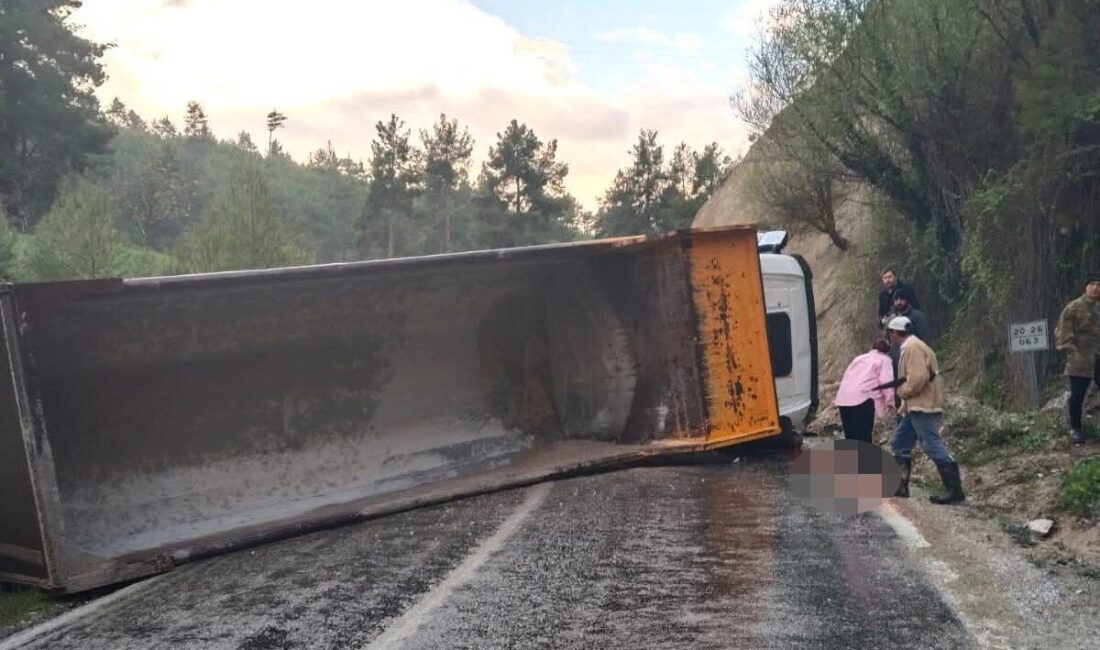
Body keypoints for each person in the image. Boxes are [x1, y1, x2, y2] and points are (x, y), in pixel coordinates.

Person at [886, 316, 964, 505]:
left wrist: (902, 392)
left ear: (896, 333)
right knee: (900, 442)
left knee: (932, 445)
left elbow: (917, 378)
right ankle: (901, 486)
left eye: (890, 332)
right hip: (916, 406)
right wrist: (904, 404)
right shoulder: (915, 346)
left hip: (923, 406)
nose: (889, 336)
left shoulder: (913, 348)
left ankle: (954, 490)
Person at [1054, 274, 1100, 444]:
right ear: (1086, 287)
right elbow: (1063, 333)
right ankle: (1076, 429)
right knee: (1077, 396)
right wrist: (1072, 352)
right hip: (1080, 359)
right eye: (1092, 284)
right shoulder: (1074, 307)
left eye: (1099, 285)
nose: (1096, 288)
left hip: (1097, 356)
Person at [834, 340, 896, 443]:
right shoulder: (885, 360)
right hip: (862, 400)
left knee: (850, 437)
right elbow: (886, 382)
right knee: (863, 436)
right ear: (887, 351)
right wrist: (890, 402)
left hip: (843, 399)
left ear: (872, 348)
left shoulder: (859, 358)